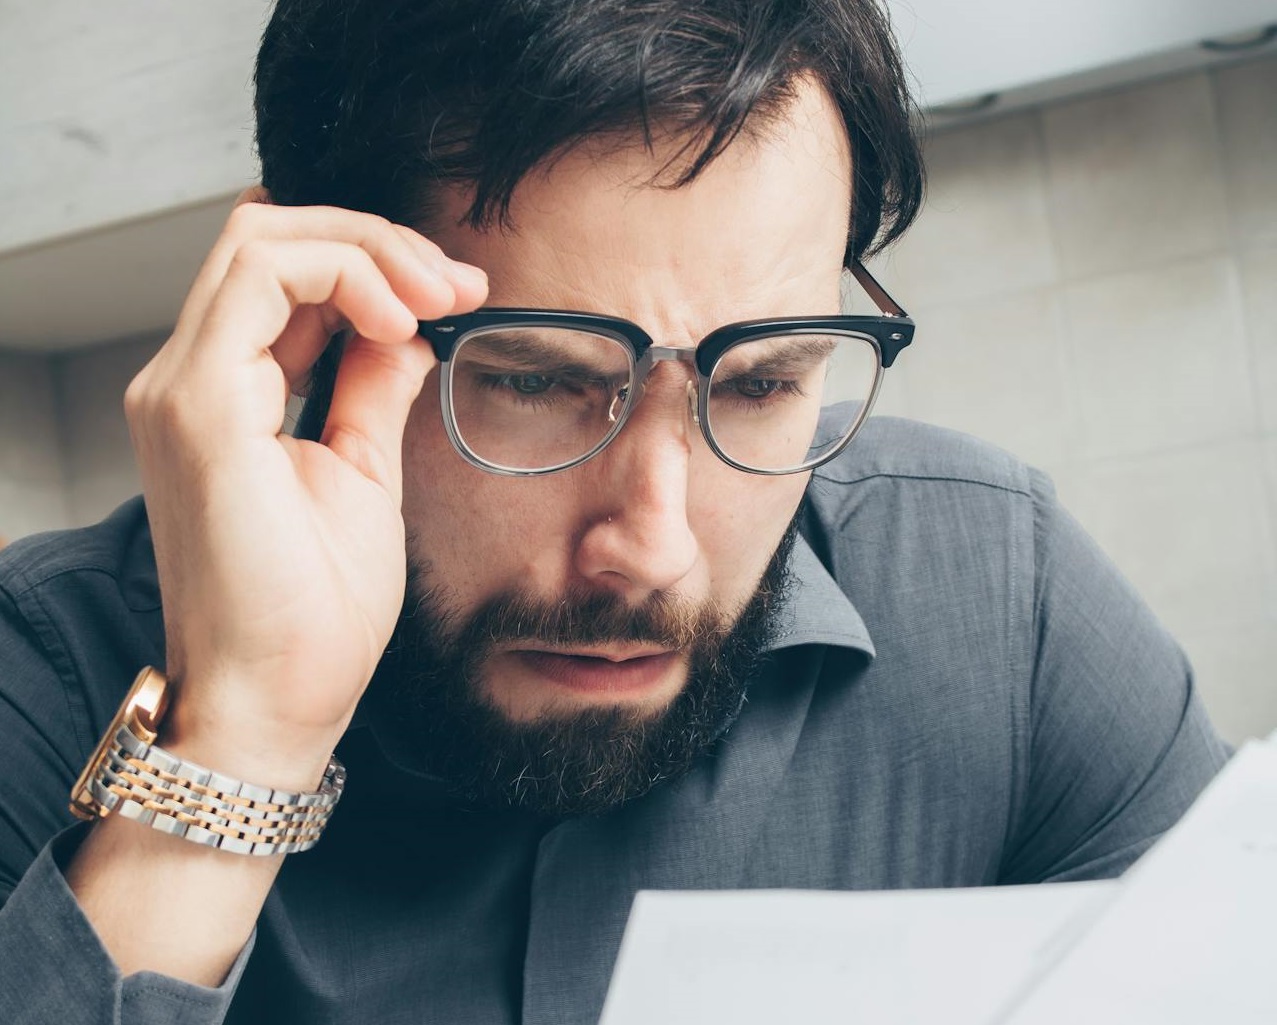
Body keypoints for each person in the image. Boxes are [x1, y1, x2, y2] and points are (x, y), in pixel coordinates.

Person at [0, 1, 1228, 1023]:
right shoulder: (46, 679)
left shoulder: (1001, 597)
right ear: (312, 320)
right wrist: (239, 743)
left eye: (761, 384)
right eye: (534, 380)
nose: (652, 544)